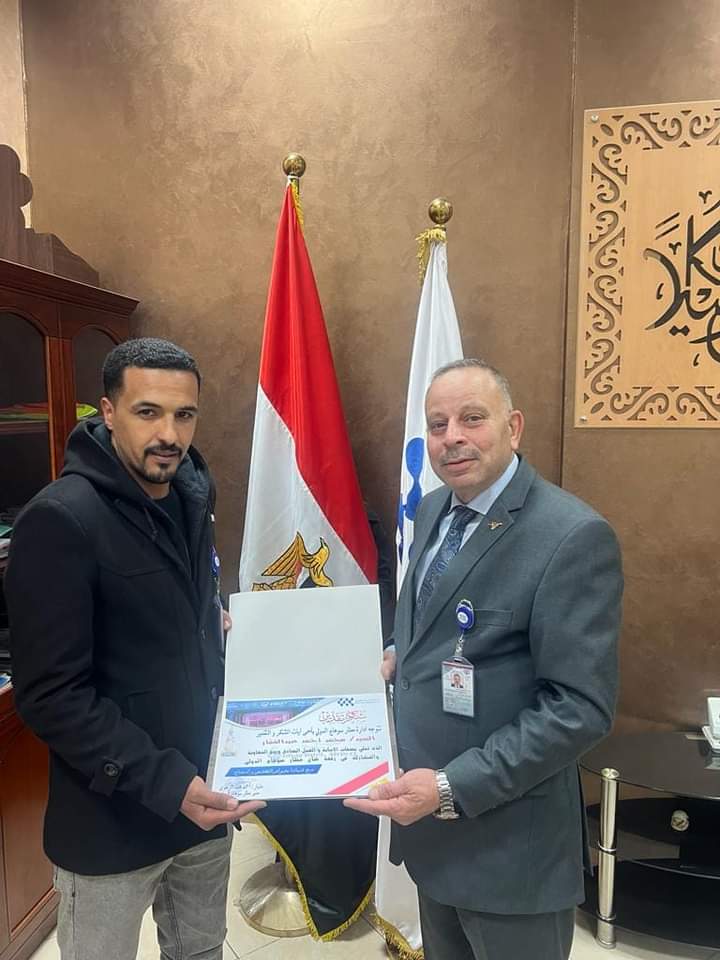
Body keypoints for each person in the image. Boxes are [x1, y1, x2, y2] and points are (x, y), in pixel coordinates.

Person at [346, 358, 623, 960]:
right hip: (430, 838)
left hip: (510, 851)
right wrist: (399, 651)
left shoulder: (571, 536)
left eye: (472, 419)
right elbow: (437, 623)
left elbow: (579, 708)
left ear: (513, 427)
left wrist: (450, 787)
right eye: (437, 424)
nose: (452, 438)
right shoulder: (432, 510)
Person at [6, 338, 264, 960]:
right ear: (108, 411)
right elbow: (50, 696)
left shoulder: (191, 495)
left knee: (200, 951)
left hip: (203, 800)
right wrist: (167, 783)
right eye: (148, 412)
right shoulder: (60, 518)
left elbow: (164, 611)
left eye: (184, 414)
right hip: (110, 820)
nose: (169, 434)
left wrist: (207, 625)